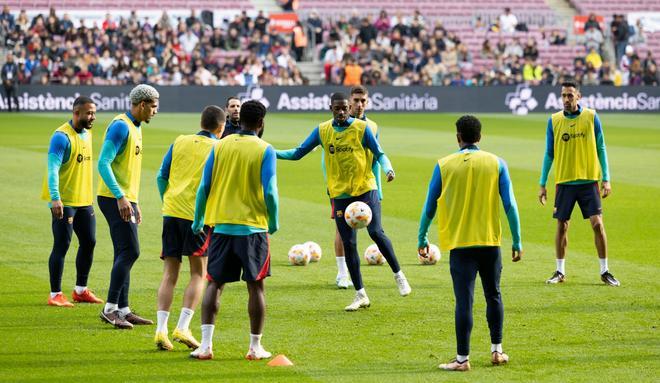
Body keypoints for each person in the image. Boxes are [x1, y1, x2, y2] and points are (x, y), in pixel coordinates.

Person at [277, 92, 410, 311]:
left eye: (344, 108)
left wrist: (389, 169)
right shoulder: (323, 130)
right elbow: (298, 153)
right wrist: (270, 152)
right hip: (340, 194)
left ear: (349, 108)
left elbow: (379, 153)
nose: (341, 112)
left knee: (376, 232)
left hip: (366, 188)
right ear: (331, 108)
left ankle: (399, 275)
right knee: (349, 243)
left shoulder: (361, 128)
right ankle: (360, 295)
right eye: (337, 108)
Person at [418, 115, 522, 371]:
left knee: (464, 301)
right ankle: (497, 351)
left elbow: (430, 205)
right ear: (480, 137)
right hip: (490, 243)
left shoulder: (444, 165)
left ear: (457, 137)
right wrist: (517, 240)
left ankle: (462, 359)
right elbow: (510, 204)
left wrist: (422, 237)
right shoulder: (497, 163)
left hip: (460, 245)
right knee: (494, 295)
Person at [190, 100, 278, 360]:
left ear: (238, 121)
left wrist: (198, 220)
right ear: (261, 123)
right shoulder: (265, 149)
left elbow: (204, 186)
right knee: (256, 287)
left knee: (214, 284)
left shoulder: (220, 146)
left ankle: (205, 346)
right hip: (253, 228)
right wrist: (273, 220)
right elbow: (270, 190)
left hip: (221, 226)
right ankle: (255, 347)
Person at [154, 106, 226, 350]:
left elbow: (161, 176)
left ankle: (160, 330)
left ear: (201, 121)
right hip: (199, 217)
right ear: (221, 127)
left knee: (169, 273)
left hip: (171, 211)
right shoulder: (219, 147)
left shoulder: (180, 141)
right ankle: (183, 326)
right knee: (199, 273)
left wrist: (168, 200)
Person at [539, 81, 619, 287]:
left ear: (578, 96)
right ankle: (560, 271)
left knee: (598, 224)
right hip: (564, 182)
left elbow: (601, 147)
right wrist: (542, 183)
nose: (566, 99)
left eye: (570, 95)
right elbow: (549, 153)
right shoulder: (554, 120)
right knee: (562, 225)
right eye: (563, 95)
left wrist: (606, 178)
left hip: (589, 181)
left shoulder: (591, 117)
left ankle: (605, 271)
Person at [98, 84, 160, 329]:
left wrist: (134, 201)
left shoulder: (135, 126)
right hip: (114, 198)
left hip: (125, 198)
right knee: (131, 251)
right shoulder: (121, 126)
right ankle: (110, 308)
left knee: (123, 252)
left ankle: (123, 309)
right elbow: (103, 163)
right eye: (154, 106)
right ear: (142, 105)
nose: (156, 111)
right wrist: (121, 198)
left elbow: (126, 170)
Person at [41, 96, 102, 307]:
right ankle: (55, 294)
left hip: (84, 200)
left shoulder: (87, 133)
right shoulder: (61, 137)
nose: (93, 117)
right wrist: (55, 197)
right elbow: (52, 169)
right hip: (64, 200)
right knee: (62, 244)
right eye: (89, 113)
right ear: (76, 113)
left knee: (89, 242)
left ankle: (81, 290)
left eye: (94, 113)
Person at [332, 85, 382, 289]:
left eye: (363, 101)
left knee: (374, 229)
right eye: (356, 100)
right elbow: (330, 156)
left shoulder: (373, 127)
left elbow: (376, 158)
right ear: (349, 102)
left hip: (366, 186)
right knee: (342, 229)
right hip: (341, 187)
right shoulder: (336, 126)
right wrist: (330, 184)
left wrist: (379, 188)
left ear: (367, 102)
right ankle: (342, 273)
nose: (359, 104)